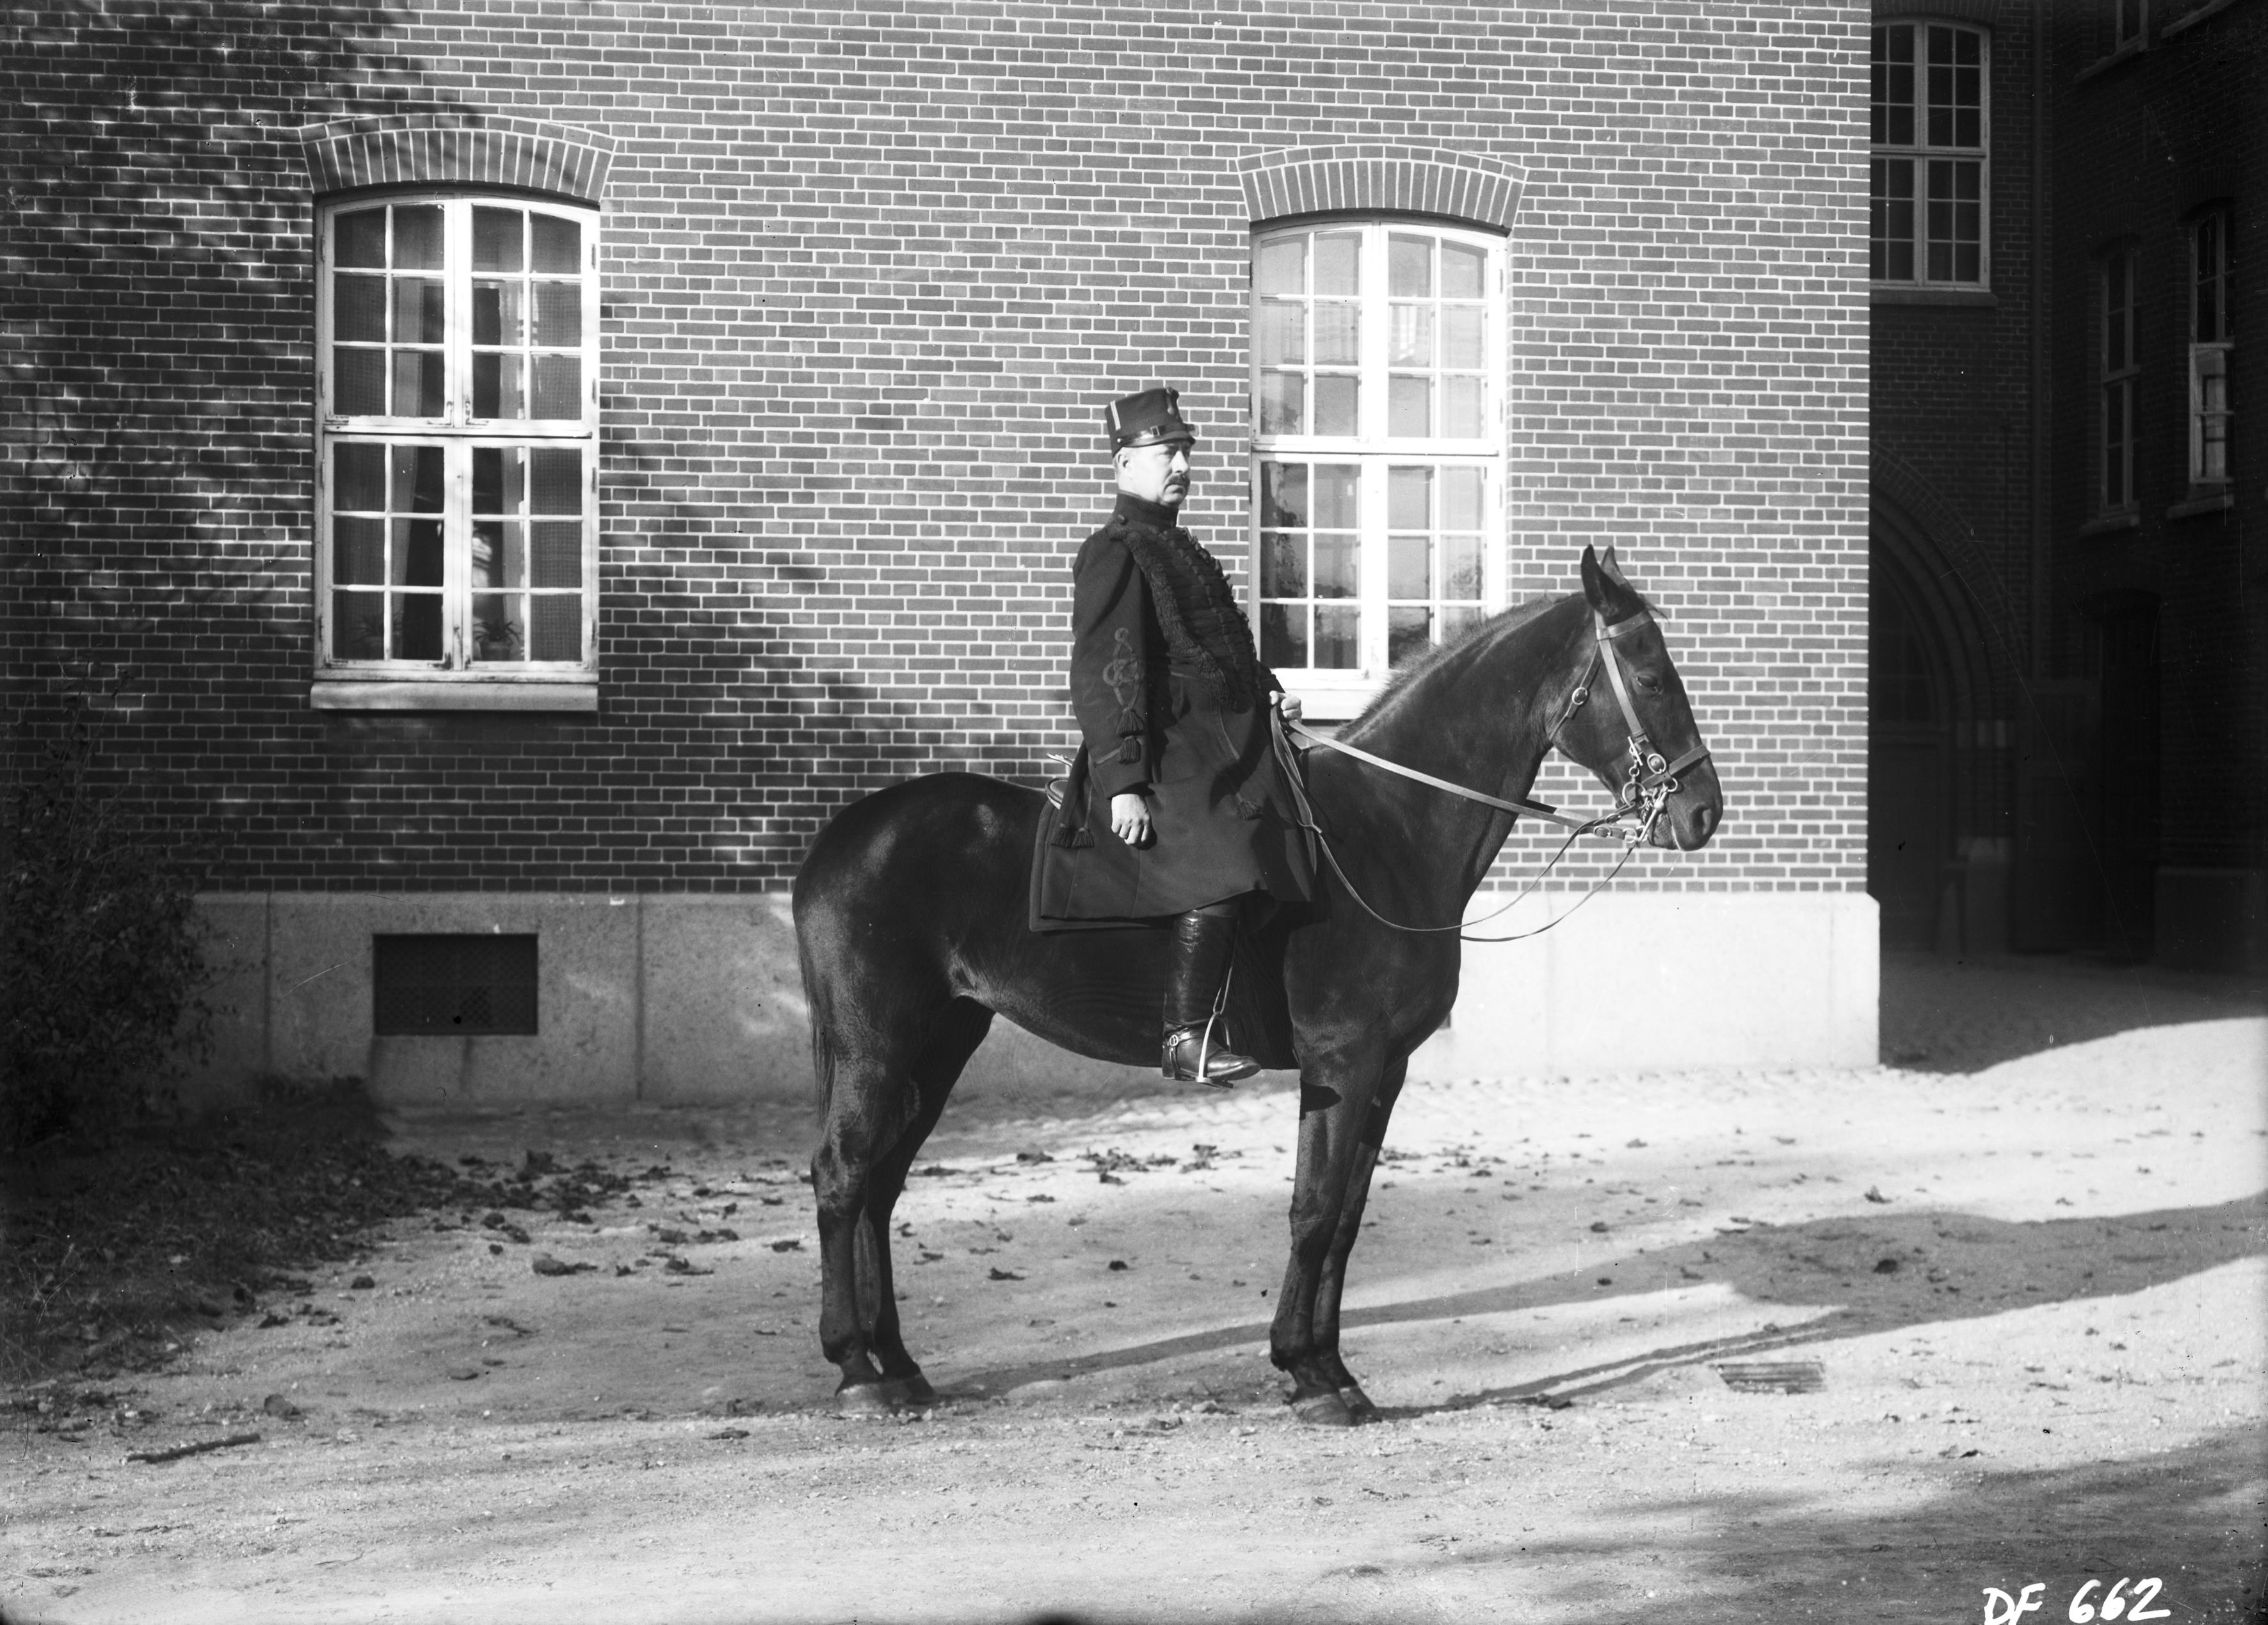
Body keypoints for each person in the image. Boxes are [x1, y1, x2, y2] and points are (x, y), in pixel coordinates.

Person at [1031, 386, 1316, 1085]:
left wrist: (1266, 690)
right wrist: (1123, 782)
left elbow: (1215, 649)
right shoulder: (1116, 551)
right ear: (1124, 463)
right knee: (1220, 854)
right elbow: (1106, 672)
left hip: (1216, 741)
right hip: (1163, 752)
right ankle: (1185, 1036)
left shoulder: (1180, 549)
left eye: (1185, 451)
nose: (1181, 464)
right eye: (1166, 452)